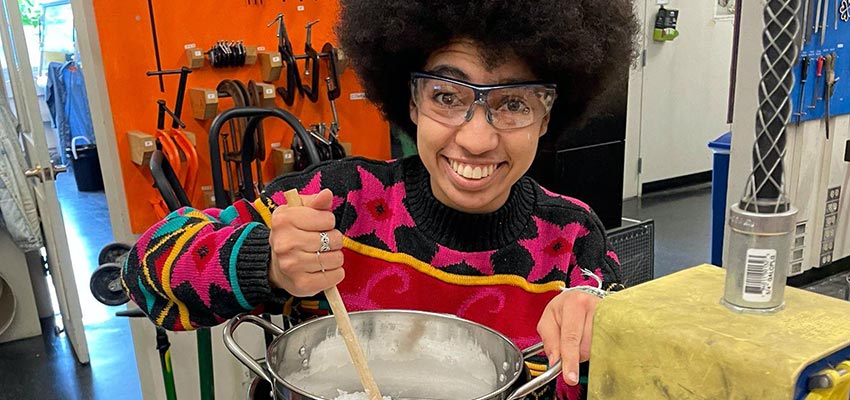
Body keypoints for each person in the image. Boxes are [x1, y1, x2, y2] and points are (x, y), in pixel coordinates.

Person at [122, 1, 638, 398]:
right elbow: (143, 273)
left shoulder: (572, 239)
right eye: (446, 96)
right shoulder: (333, 202)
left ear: (546, 117)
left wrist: (601, 335)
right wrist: (265, 265)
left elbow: (614, 378)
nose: (477, 139)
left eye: (514, 104)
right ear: (410, 100)